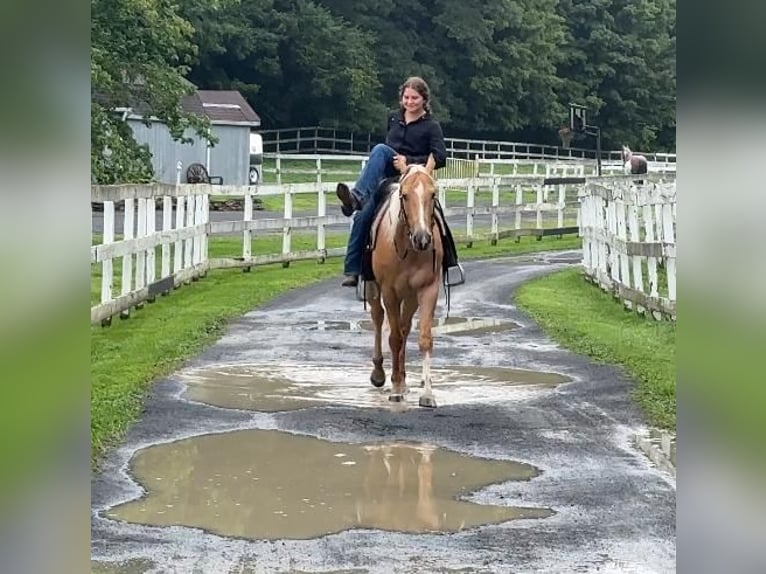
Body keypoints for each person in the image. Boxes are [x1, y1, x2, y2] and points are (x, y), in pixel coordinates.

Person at [336, 76, 460, 287]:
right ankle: (353, 269)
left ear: (424, 100)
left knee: (435, 216)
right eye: (406, 97)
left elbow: (440, 157)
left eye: (414, 98)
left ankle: (449, 262)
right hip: (390, 179)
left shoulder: (432, 126)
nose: (409, 102)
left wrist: (409, 164)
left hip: (414, 180)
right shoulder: (394, 118)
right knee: (363, 216)